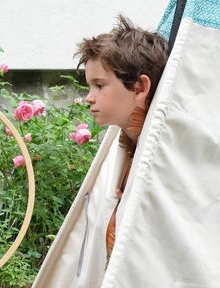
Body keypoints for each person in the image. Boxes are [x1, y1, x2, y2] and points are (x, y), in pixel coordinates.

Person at [76, 15, 169, 258]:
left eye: (99, 85)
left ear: (139, 88)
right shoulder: (126, 147)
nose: (89, 97)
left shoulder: (165, 154)